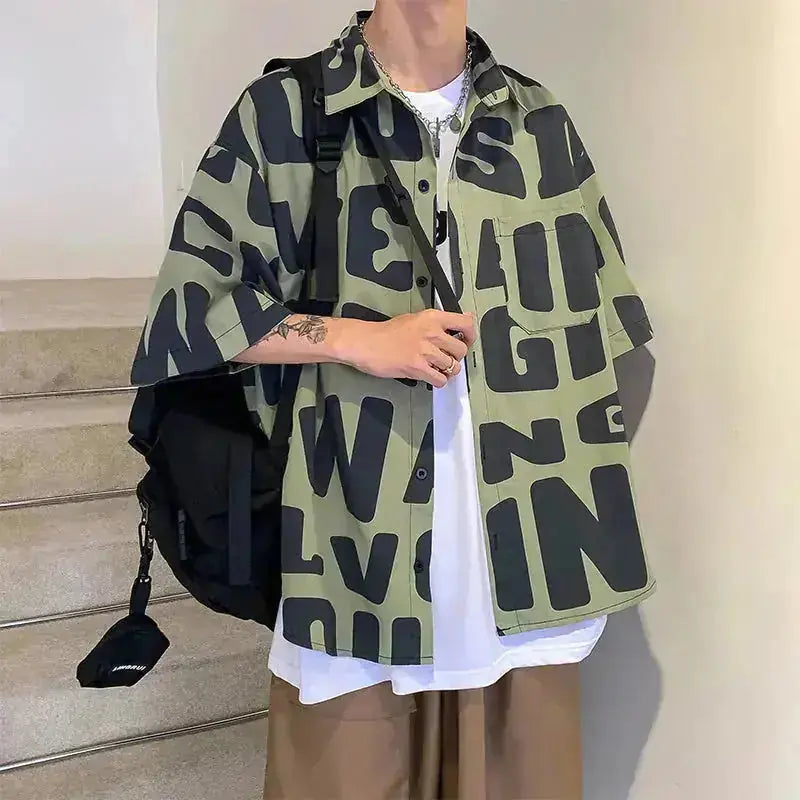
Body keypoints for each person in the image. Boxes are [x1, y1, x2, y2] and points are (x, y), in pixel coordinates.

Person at [132, 2, 655, 798]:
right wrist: (355, 339)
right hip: (352, 560)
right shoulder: (288, 112)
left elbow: (603, 331)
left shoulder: (537, 122)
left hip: (527, 581)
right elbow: (187, 316)